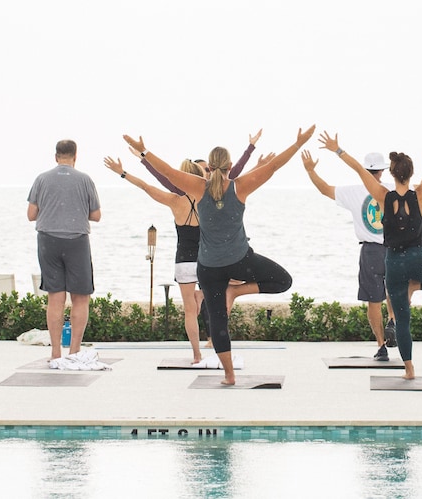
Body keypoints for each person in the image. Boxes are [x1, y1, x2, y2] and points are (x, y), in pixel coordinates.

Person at [123, 126, 315, 385]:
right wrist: (298, 143)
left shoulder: (198, 187)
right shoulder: (239, 187)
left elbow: (167, 172)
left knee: (217, 321)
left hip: (209, 268)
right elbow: (273, 167)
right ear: (230, 166)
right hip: (240, 262)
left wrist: (144, 152)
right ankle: (235, 291)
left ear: (209, 168)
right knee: (283, 281)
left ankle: (229, 375)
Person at [321, 119, 422, 380]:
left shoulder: (383, 196)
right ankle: (417, 285)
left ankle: (409, 369)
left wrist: (337, 149)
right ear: (411, 174)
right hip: (418, 261)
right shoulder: (421, 194)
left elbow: (358, 169)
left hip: (393, 264)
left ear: (392, 174)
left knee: (403, 321)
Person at [301, 147, 422, 361]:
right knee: (395, 289)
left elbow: (324, 189)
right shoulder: (394, 189)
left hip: (370, 251)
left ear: (366, 170)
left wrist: (311, 171)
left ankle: (381, 345)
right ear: (383, 171)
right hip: (394, 249)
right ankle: (392, 319)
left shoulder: (354, 192)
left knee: (373, 301)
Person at [103, 155, 207, 363]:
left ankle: (197, 355)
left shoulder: (175, 201)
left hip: (184, 261)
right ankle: (201, 295)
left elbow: (145, 186)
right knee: (213, 300)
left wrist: (122, 173)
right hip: (207, 261)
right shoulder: (209, 202)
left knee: (189, 311)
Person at [27, 140, 102, 364]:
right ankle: (75, 351)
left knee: (55, 297)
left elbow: (31, 214)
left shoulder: (41, 179)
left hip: (47, 240)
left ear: (56, 156)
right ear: (75, 157)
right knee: (80, 298)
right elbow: (96, 215)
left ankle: (55, 352)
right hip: (76, 241)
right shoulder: (85, 180)